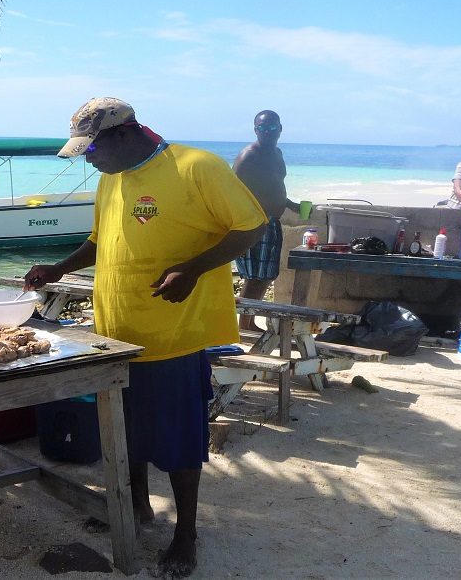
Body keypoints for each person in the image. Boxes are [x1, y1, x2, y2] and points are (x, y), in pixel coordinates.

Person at [23, 98, 266, 578]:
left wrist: (192, 270)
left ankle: (186, 534)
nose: (86, 158)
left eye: (90, 148)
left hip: (173, 334)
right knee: (124, 433)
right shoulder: (112, 179)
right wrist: (57, 268)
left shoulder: (196, 166)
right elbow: (100, 240)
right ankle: (137, 507)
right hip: (115, 332)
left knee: (178, 441)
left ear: (122, 134)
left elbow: (251, 225)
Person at [232, 110, 299, 331]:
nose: (267, 132)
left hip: (271, 223)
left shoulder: (277, 154)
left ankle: (250, 321)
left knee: (266, 276)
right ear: (255, 130)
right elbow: (230, 191)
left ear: (280, 129)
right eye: (262, 128)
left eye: (271, 128)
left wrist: (290, 205)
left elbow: (273, 187)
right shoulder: (249, 156)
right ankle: (244, 325)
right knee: (253, 277)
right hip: (254, 223)